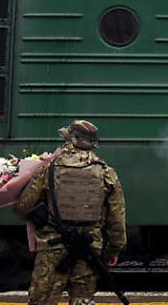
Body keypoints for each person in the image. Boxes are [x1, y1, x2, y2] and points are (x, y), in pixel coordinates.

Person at [14, 120, 127, 305]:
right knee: (82, 300)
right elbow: (117, 217)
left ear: (71, 139)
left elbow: (23, 207)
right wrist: (114, 249)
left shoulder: (47, 169)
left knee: (42, 301)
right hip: (89, 247)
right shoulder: (106, 173)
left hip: (52, 246)